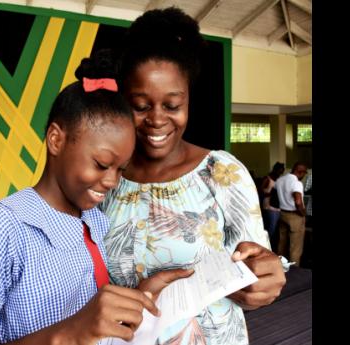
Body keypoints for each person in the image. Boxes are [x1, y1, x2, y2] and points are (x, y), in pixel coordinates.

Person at [0, 51, 171, 345]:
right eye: (102, 164)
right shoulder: (2, 227)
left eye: (120, 169)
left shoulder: (95, 220)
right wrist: (71, 332)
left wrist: (144, 293)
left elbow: (97, 317)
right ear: (56, 139)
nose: (112, 181)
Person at [99, 7, 287, 344]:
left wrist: (267, 278)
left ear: (188, 102)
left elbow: (259, 260)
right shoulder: (105, 179)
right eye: (141, 106)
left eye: (172, 105)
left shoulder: (221, 173)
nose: (157, 119)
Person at [275, 162, 308, 266]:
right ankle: (295, 271)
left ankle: (279, 267)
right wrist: (303, 213)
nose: (303, 176)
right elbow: (298, 201)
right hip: (295, 216)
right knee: (295, 248)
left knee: (282, 243)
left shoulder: (280, 180)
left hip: (283, 214)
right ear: (300, 172)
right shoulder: (297, 183)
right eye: (304, 173)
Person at [260, 162, 285, 239]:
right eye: (279, 171)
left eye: (282, 172)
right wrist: (270, 193)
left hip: (277, 206)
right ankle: (267, 243)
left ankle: (272, 243)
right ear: (275, 170)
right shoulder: (267, 178)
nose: (280, 173)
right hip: (268, 206)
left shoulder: (279, 179)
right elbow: (260, 190)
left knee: (276, 229)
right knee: (271, 227)